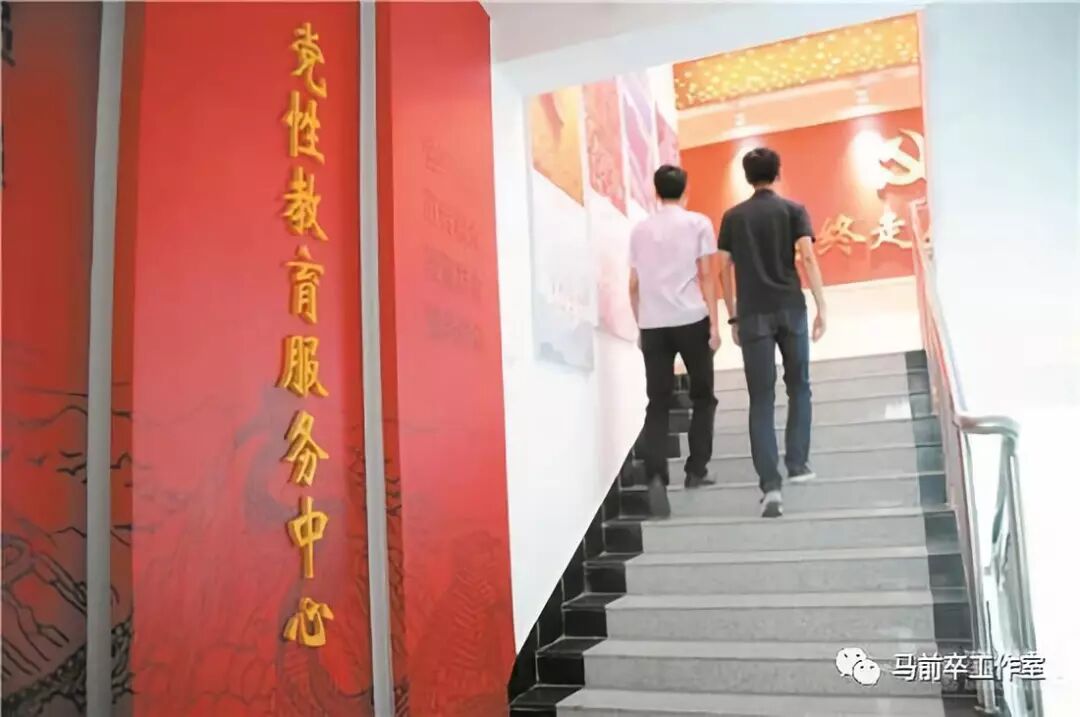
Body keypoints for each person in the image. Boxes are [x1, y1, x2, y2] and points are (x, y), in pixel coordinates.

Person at [716, 147, 827, 519]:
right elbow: (807, 257)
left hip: (752, 315)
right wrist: (822, 306)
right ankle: (797, 463)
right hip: (791, 308)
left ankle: (770, 487)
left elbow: (722, 268)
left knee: (761, 399)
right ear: (777, 173)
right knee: (799, 386)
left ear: (748, 177)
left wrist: (733, 316)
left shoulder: (733, 217)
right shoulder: (794, 210)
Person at [629, 165, 721, 519]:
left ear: (655, 192)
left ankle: (655, 476)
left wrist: (641, 325)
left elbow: (633, 285)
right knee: (703, 396)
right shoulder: (698, 223)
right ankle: (696, 470)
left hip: (653, 324)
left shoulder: (639, 230)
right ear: (685, 191)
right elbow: (707, 276)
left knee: (658, 402)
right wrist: (715, 324)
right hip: (691, 319)